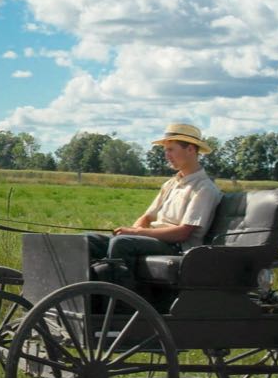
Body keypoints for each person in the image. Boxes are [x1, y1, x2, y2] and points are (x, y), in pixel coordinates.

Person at [90, 122, 222, 288]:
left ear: (190, 149)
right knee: (90, 240)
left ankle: (123, 304)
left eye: (171, 149)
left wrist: (134, 233)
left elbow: (183, 233)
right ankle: (91, 296)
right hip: (155, 239)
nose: (166, 155)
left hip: (178, 247)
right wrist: (132, 231)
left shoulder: (204, 188)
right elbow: (147, 217)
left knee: (121, 244)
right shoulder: (170, 184)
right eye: (165, 150)